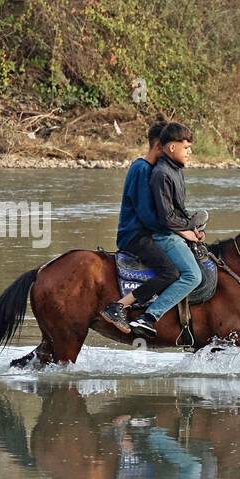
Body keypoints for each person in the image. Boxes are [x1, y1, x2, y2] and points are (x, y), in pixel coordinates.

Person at [126, 122, 207, 339]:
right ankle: (149, 316)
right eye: (186, 148)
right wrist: (184, 231)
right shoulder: (151, 171)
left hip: (162, 230)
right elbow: (156, 216)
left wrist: (192, 227)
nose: (190, 153)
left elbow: (174, 210)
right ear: (163, 147)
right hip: (141, 234)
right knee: (186, 275)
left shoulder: (173, 171)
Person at [99, 120, 176, 334]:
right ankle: (119, 306)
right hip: (135, 236)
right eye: (171, 147)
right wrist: (175, 230)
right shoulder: (143, 169)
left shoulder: (145, 167)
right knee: (170, 272)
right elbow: (146, 215)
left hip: (143, 234)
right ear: (159, 146)